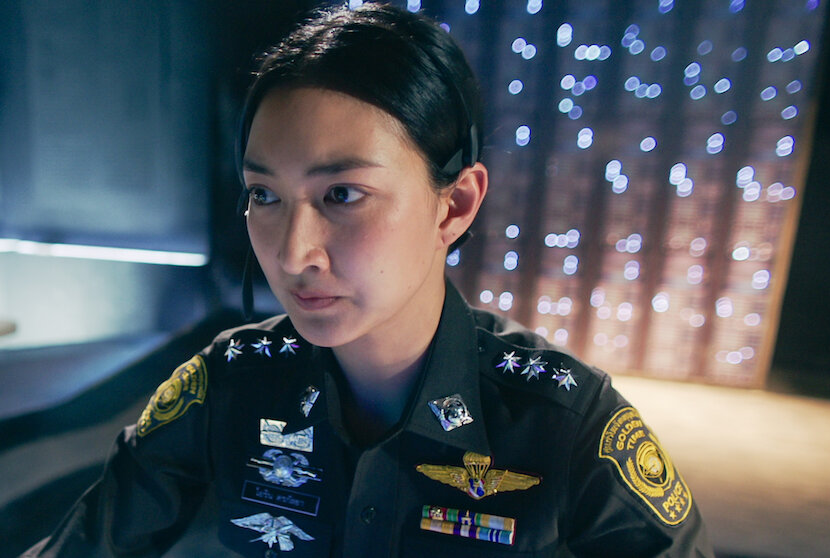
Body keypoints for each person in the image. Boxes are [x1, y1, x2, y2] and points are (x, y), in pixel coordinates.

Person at [22, 3, 714, 557]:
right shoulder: (230, 385)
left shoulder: (565, 422)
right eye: (264, 195)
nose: (293, 254)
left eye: (343, 195)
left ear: (455, 204)